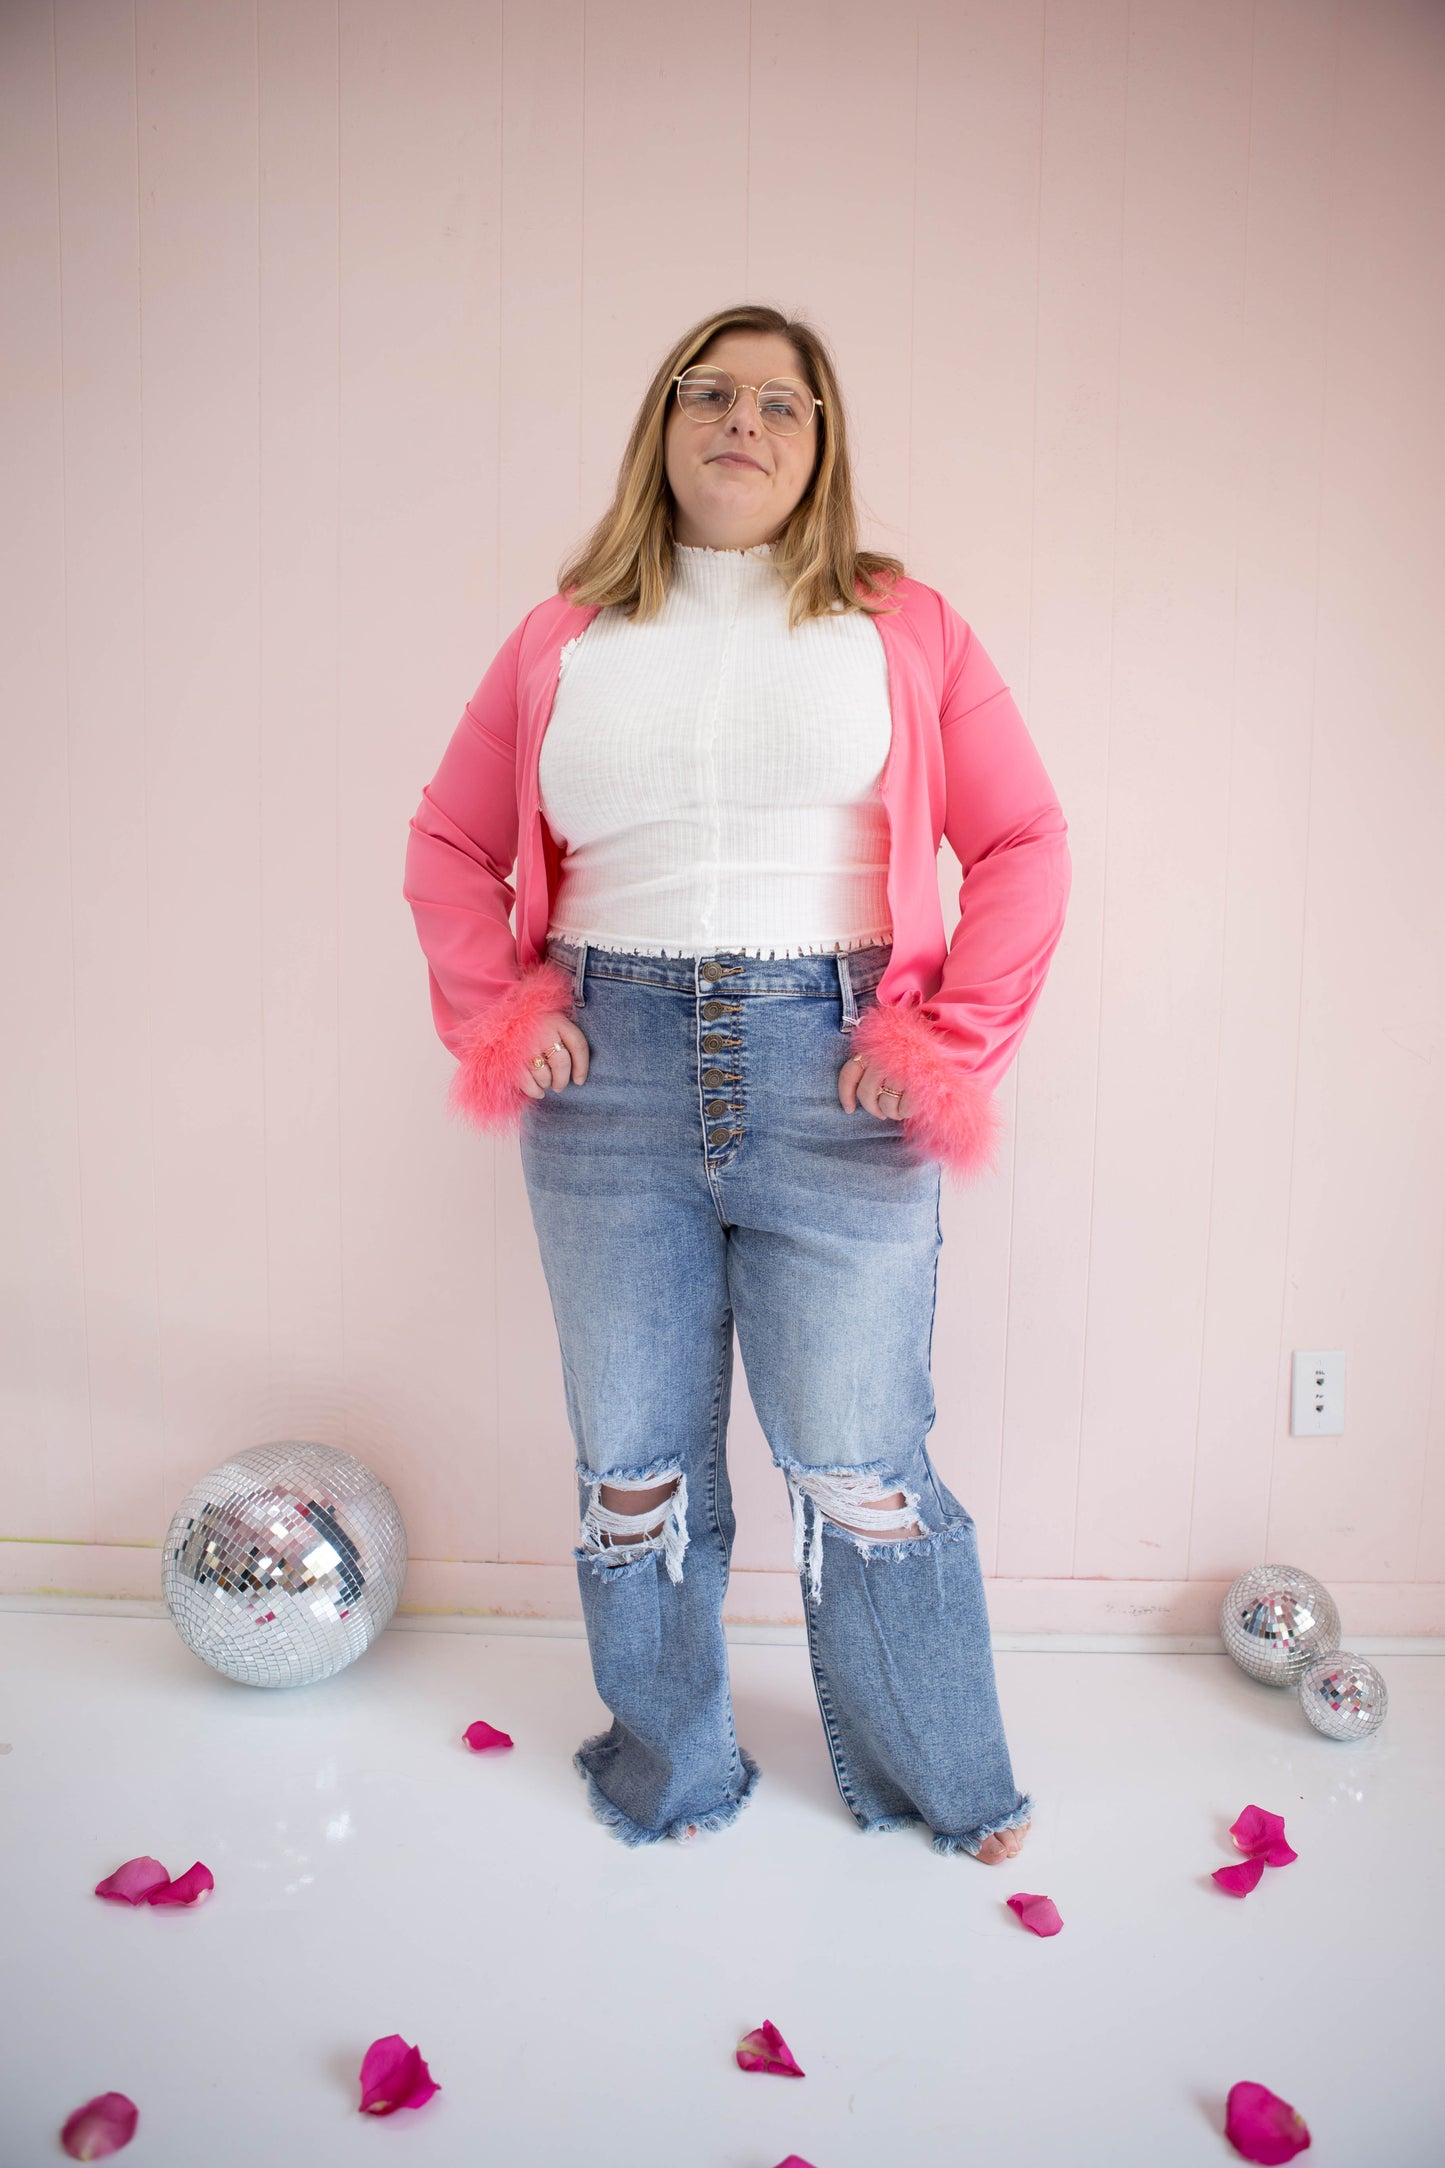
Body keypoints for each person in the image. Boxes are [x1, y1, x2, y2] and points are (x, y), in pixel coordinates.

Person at [403, 303, 1071, 1861]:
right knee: (632, 1463)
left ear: (820, 443)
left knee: (856, 1460)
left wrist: (948, 1042)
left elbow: (1025, 841)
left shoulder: (901, 626)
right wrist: (498, 1008)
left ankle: (945, 1782)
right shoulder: (562, 636)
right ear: (662, 426)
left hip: (836, 1073)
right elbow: (448, 842)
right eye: (709, 392)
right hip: (604, 1083)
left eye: (781, 402)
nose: (742, 422)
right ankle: (669, 1766)